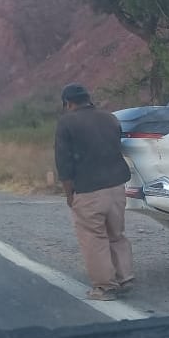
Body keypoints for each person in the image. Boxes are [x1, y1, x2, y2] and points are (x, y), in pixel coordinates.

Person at [54, 83, 135, 300]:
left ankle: (105, 287)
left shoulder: (66, 123)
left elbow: (64, 163)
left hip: (89, 190)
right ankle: (125, 277)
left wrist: (69, 194)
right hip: (117, 188)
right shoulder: (110, 118)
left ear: (68, 103)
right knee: (116, 235)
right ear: (88, 99)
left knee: (94, 238)